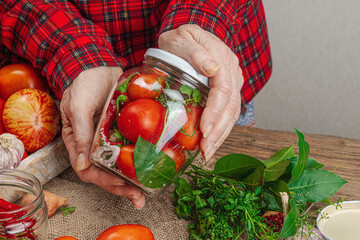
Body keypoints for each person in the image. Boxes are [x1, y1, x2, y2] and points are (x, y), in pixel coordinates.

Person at [0, 0, 272, 209]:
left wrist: (200, 23)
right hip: (63, 90)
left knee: (228, 159)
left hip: (206, 80)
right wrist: (72, 50)